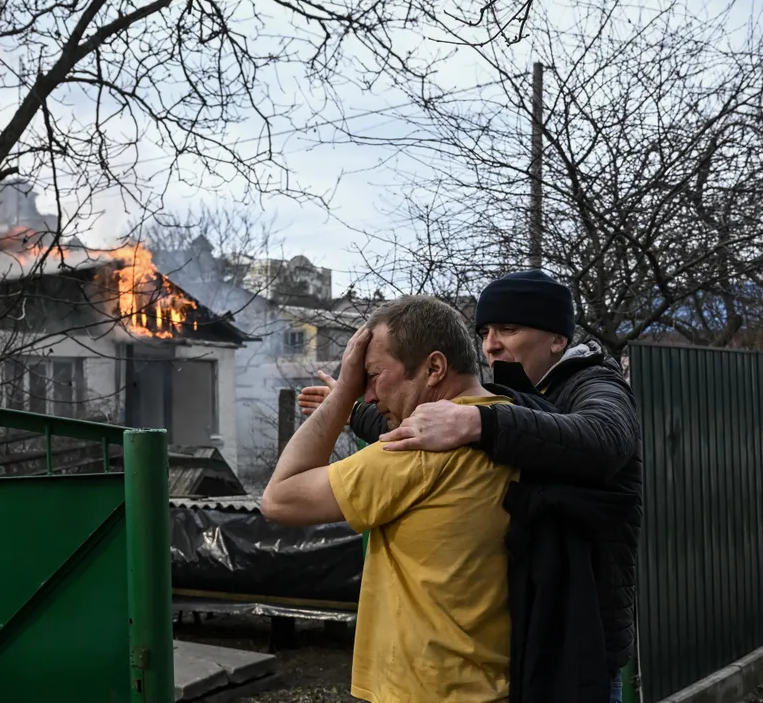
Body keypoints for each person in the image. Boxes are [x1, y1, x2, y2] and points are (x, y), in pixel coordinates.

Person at [299, 270, 643, 703]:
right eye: (484, 331)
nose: (491, 344)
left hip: (583, 648)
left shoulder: (595, 385)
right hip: (536, 641)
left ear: (558, 339)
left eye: (509, 329)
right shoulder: (520, 396)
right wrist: (356, 410)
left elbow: (604, 439)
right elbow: (420, 428)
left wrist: (478, 421)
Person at [262, 295, 518, 703]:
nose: (368, 393)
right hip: (487, 683)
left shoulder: (418, 450)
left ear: (434, 368)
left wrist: (344, 391)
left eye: (374, 374)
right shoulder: (506, 423)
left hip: (427, 691)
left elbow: (280, 497)